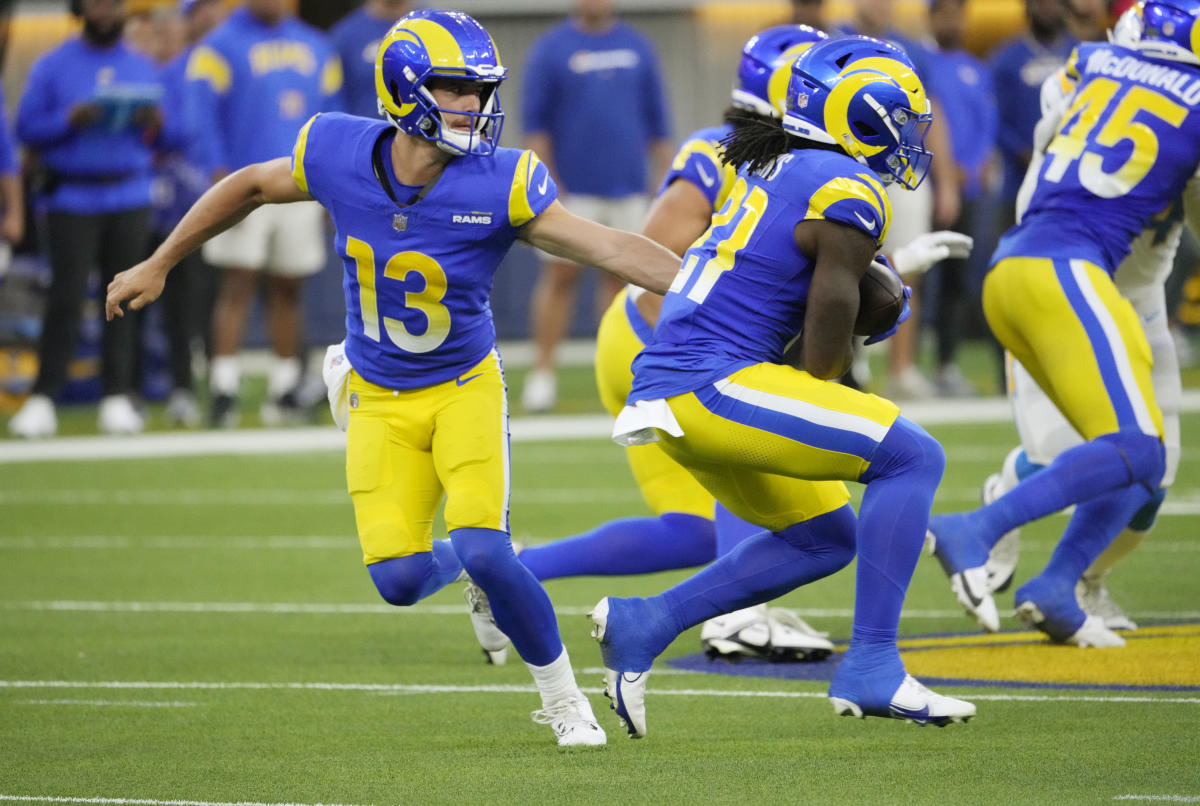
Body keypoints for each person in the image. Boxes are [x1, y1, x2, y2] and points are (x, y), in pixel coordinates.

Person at [106, 9, 682, 748]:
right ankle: (477, 573)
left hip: (463, 387)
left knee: (484, 543)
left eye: (480, 90)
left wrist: (722, 291)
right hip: (376, 395)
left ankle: (564, 698)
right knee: (401, 581)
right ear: (407, 88)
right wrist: (160, 261)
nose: (473, 106)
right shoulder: (339, 150)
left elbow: (611, 249)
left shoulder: (501, 181)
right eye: (455, 88)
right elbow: (249, 186)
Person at [513, 25, 972, 664]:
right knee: (868, 450)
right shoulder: (743, 153)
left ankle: (518, 572)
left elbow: (793, 264)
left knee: (695, 529)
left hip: (691, 349)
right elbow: (679, 259)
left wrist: (877, 271)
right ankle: (756, 623)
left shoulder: (782, 158)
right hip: (664, 337)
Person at [926, 0, 1200, 648]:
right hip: (1065, 276)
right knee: (1107, 451)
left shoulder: (1088, 67)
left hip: (1109, 289)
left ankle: (1068, 582)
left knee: (1148, 471)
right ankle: (984, 521)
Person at [8, 0, 163, 439]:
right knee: (66, 297)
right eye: (97, 3)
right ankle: (43, 398)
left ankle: (117, 396)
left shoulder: (141, 64)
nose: (106, 11)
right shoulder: (52, 65)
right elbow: (26, 129)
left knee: (127, 297)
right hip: (72, 194)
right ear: (80, 8)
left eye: (114, 4)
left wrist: (153, 121)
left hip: (130, 190)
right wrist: (69, 120)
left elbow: (169, 135)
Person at [186, 0, 343, 427]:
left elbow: (334, 118)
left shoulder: (317, 45)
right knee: (236, 285)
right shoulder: (217, 46)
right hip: (245, 185)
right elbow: (201, 119)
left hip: (300, 185)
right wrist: (217, 177)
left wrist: (335, 182)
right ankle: (223, 389)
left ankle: (286, 388)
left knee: (290, 288)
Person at [519, 0, 672, 413]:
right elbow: (535, 125)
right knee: (559, 277)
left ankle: (617, 367)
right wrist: (549, 183)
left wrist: (665, 176)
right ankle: (543, 373)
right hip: (573, 191)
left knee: (624, 281)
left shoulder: (637, 46)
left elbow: (657, 121)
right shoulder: (552, 49)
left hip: (630, 188)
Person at [832, 0, 962, 399]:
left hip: (901, 169)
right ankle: (841, 365)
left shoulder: (912, 48)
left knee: (909, 269)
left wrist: (947, 182)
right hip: (847, 167)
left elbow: (931, 112)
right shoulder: (833, 40)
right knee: (842, 267)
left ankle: (902, 370)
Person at [150, 0, 225, 427]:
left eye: (215, 8)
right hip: (179, 201)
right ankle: (182, 386)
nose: (209, 16)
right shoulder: (173, 71)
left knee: (216, 297)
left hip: (224, 197)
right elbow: (166, 135)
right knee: (180, 299)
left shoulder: (229, 61)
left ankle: (219, 384)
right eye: (200, 10)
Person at [925, 0, 999, 396]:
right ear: (932, 17)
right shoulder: (923, 65)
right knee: (924, 279)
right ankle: (917, 363)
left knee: (961, 279)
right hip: (929, 188)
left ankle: (947, 364)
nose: (952, 20)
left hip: (970, 192)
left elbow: (989, 125)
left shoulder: (977, 70)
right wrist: (945, 167)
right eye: (944, 12)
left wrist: (976, 164)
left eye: (958, 12)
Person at [329, 0, 412, 119]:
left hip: (428, 134)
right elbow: (333, 104)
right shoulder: (344, 37)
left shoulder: (433, 27)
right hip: (366, 133)